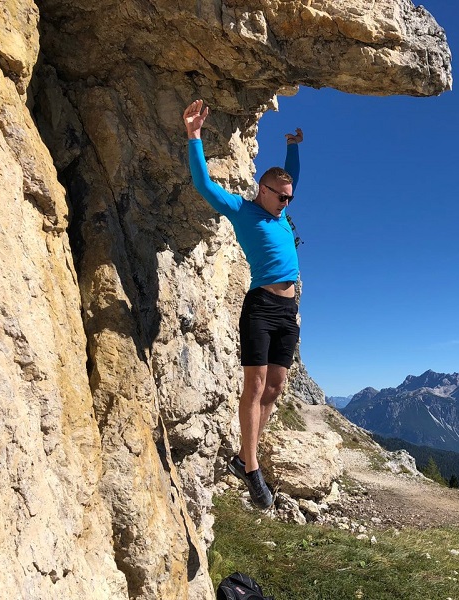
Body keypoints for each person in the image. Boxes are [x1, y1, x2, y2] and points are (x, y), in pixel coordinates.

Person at [183, 99, 303, 509]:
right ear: (263, 190)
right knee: (254, 386)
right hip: (261, 306)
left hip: (289, 311)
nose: (287, 202)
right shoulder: (244, 211)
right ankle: (251, 468)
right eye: (282, 197)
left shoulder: (282, 214)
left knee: (275, 387)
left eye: (289, 197)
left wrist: (292, 147)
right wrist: (194, 136)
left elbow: (293, 176)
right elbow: (204, 186)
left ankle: (243, 456)